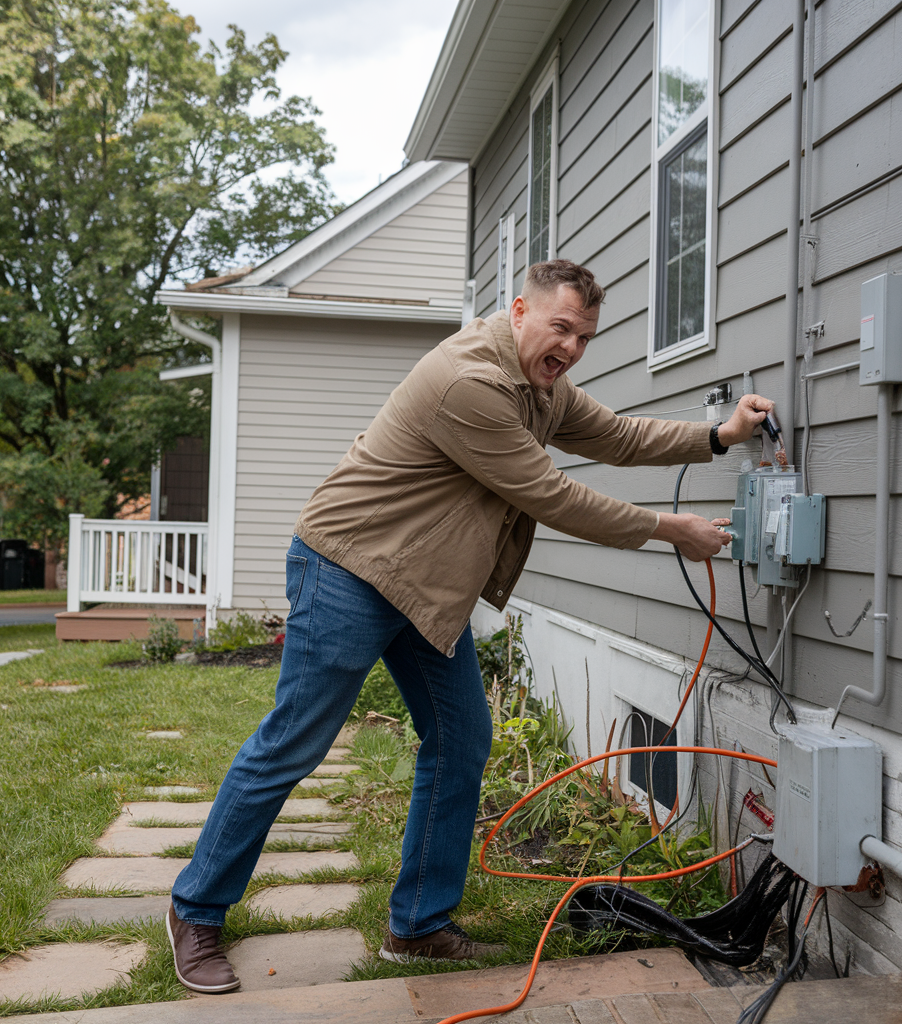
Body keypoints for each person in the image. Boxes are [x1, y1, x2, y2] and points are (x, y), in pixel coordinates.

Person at [165, 260, 774, 993]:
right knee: (293, 743)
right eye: (561, 328)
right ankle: (195, 908)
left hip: (421, 585)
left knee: (461, 740)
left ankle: (417, 927)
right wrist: (667, 528)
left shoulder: (540, 386)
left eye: (585, 336)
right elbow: (550, 494)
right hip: (349, 570)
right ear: (520, 311)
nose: (573, 347)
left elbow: (615, 435)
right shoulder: (469, 382)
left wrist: (720, 435)